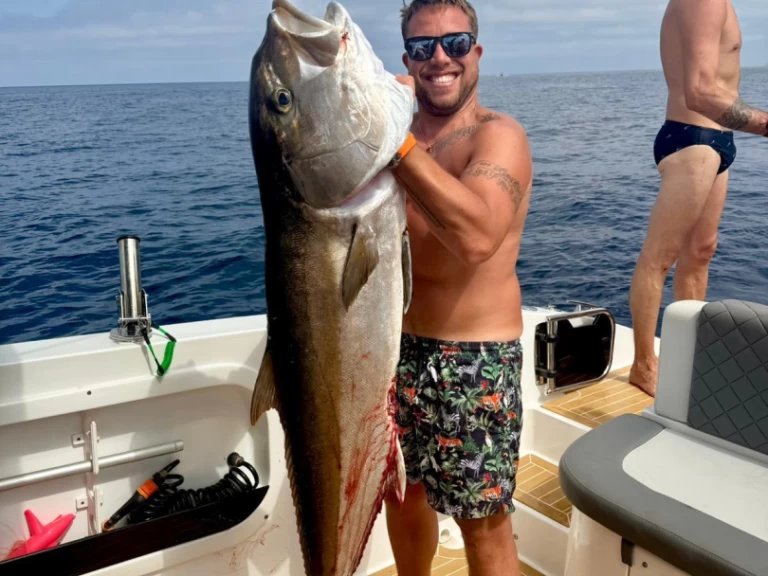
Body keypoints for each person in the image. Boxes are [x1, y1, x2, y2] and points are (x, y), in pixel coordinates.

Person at [383, 1, 533, 574]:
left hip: (474, 361)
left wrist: (393, 140)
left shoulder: (499, 137)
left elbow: (475, 237)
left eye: (454, 42)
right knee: (402, 493)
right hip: (395, 352)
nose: (439, 57)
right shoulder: (390, 129)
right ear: (407, 59)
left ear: (476, 52)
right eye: (423, 48)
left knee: (484, 528)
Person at [629, 0, 768, 396]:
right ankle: (644, 365)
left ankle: (685, 354)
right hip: (692, 139)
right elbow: (701, 92)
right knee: (659, 258)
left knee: (701, 252)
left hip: (720, 140)